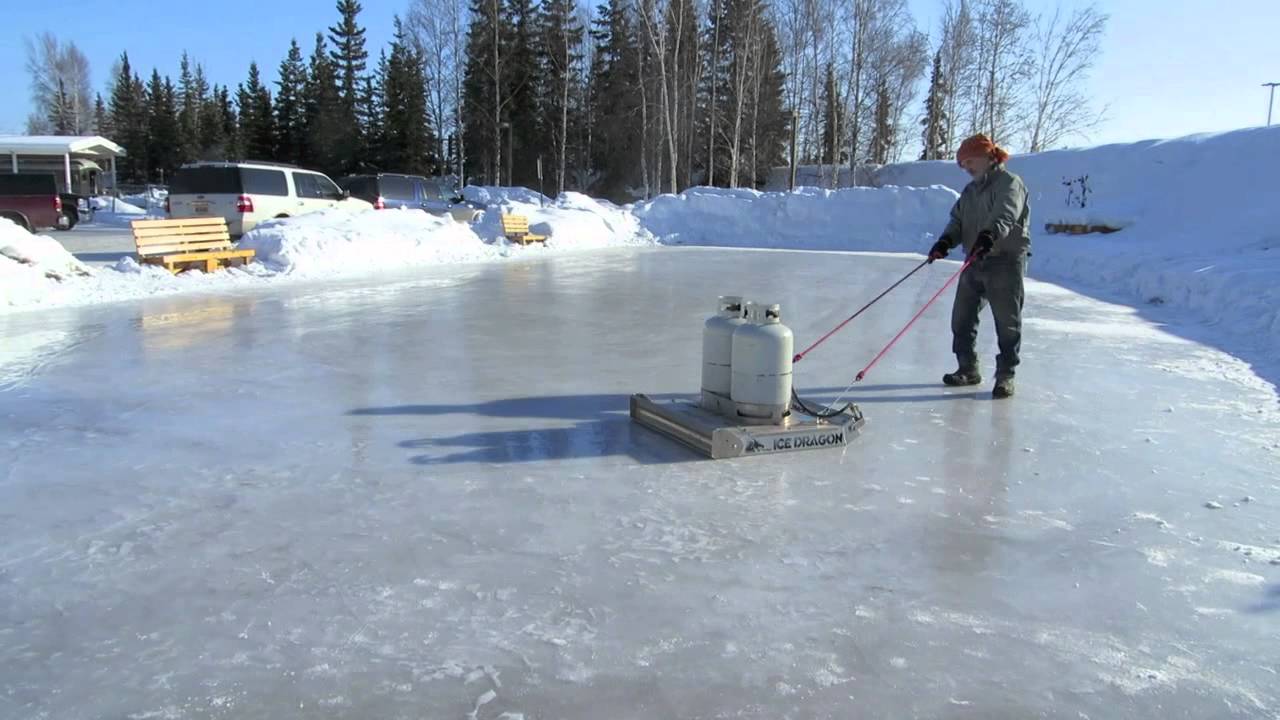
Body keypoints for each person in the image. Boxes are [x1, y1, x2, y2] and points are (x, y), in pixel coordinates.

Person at [927, 133, 1030, 399]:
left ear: (987, 157)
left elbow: (1006, 213)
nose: (966, 168)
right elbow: (958, 220)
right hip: (975, 260)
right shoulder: (970, 191)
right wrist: (946, 240)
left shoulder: (1010, 183)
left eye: (969, 161)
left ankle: (1006, 376)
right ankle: (967, 368)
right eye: (962, 164)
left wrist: (989, 235)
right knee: (961, 318)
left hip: (1005, 261)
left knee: (1007, 322)